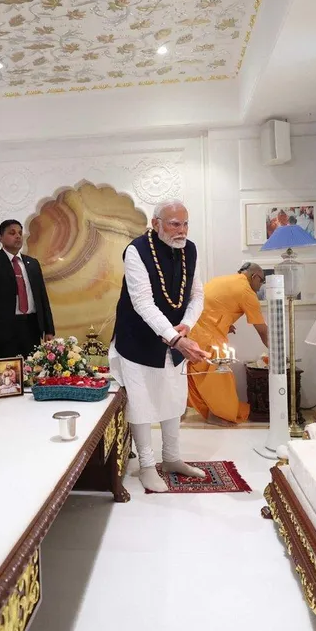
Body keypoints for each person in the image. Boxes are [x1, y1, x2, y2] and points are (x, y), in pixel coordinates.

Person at [109, 200, 211, 493]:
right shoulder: (136, 251)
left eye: (185, 223)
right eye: (174, 224)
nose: (181, 230)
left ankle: (171, 459)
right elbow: (142, 303)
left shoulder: (190, 249)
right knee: (141, 405)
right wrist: (177, 339)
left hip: (175, 338)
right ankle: (146, 465)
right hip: (137, 339)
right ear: (156, 223)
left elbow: (197, 294)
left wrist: (187, 325)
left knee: (173, 398)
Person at [187, 262, 270, 425]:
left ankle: (212, 411)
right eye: (261, 281)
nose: (261, 286)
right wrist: (276, 352)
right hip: (205, 334)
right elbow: (262, 330)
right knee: (219, 375)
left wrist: (226, 323)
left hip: (193, 328)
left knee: (206, 374)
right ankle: (219, 414)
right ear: (254, 276)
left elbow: (212, 304)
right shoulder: (246, 291)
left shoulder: (223, 279)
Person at [0, 219, 55, 360]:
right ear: (0, 238)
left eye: (19, 233)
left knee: (32, 370)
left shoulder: (32, 263)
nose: (17, 236)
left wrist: (49, 329)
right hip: (3, 331)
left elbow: (42, 298)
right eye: (12, 233)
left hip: (31, 327)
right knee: (7, 376)